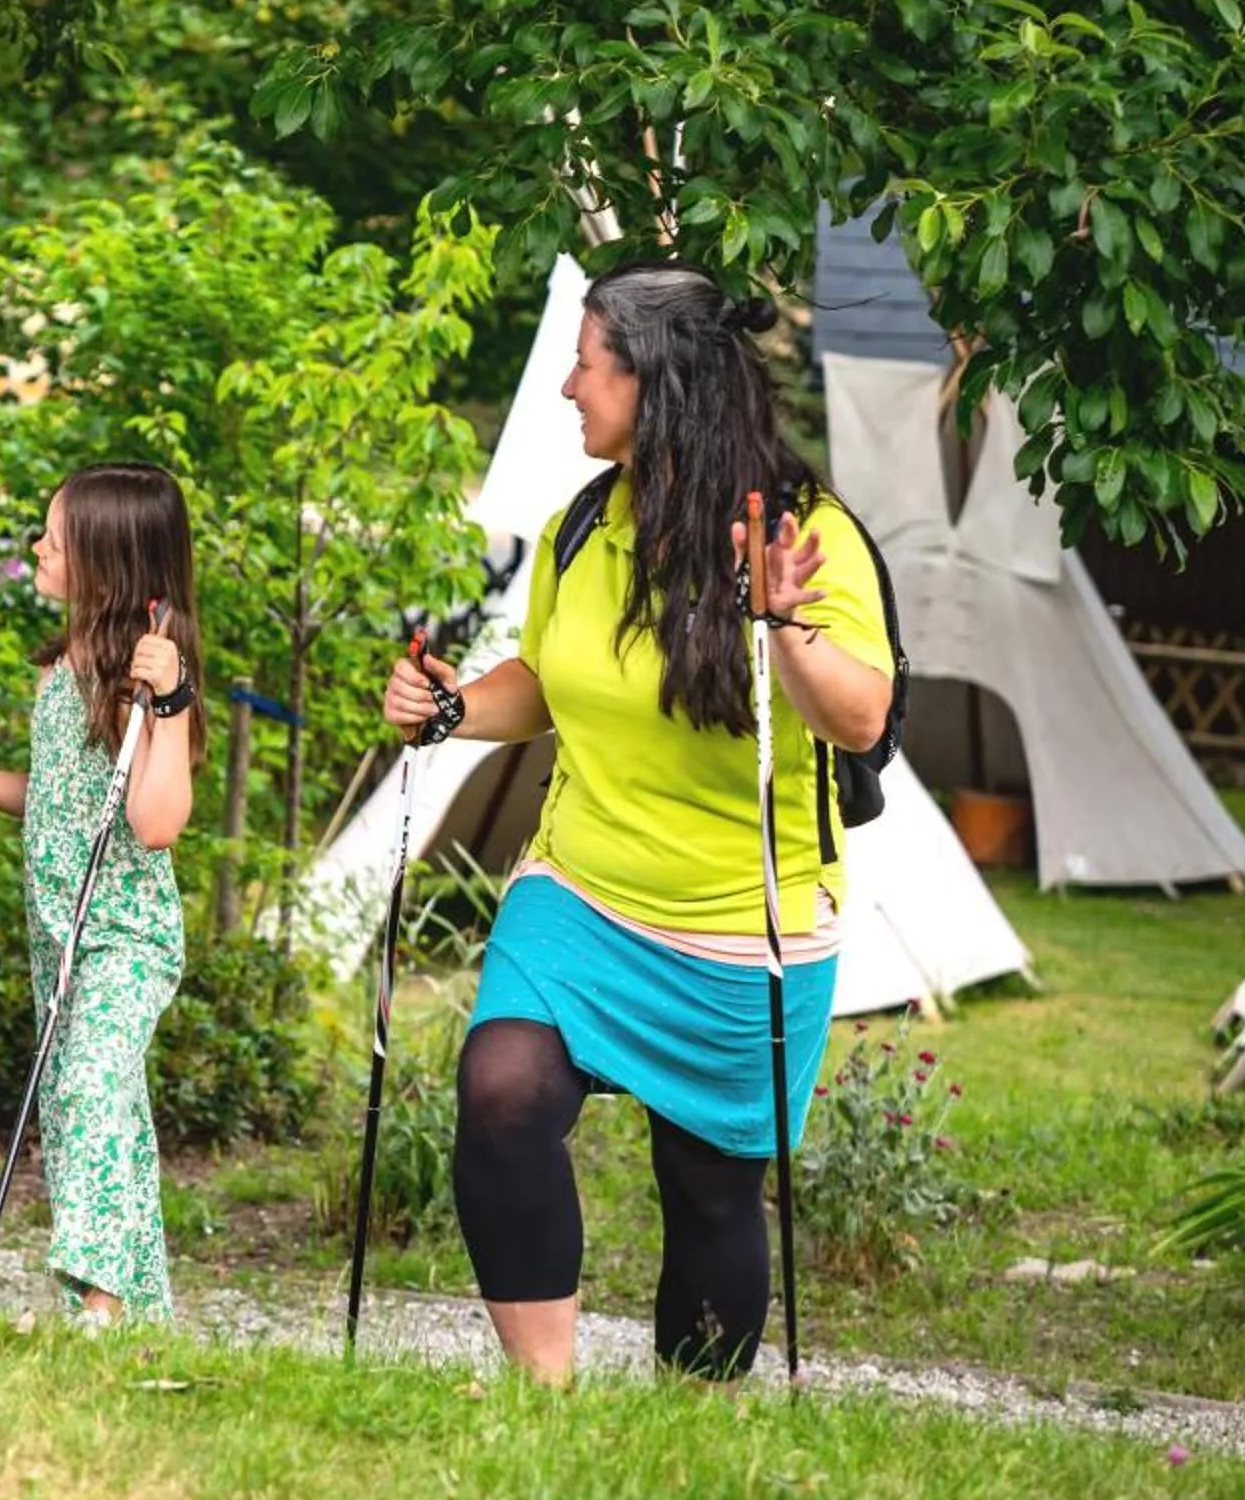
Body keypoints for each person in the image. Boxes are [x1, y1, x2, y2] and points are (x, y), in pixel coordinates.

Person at [378, 259, 893, 1384]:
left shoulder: (806, 533)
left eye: (586, 362)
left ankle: (689, 1425)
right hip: (583, 892)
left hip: (740, 920)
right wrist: (455, 706)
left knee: (708, 1187)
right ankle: (544, 1401)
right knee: (501, 1086)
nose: (568, 386)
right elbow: (555, 681)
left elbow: (860, 718)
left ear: (655, 381)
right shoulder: (583, 525)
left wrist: (784, 622)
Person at [0, 464, 201, 1322]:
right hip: (61, 936)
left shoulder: (147, 680)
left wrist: (173, 701)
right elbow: (54, 794)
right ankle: (140, 1313)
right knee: (97, 1107)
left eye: (56, 533)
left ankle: (102, 1308)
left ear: (109, 557)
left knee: (87, 1089)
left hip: (123, 934)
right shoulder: (64, 668)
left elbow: (155, 822)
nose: (39, 545)